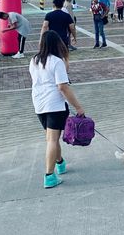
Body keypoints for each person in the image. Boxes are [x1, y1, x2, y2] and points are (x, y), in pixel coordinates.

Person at [29, 30, 85, 189]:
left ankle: (60, 163)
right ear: (57, 43)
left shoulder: (33, 60)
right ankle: (49, 175)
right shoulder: (57, 62)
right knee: (52, 140)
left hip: (39, 104)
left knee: (51, 138)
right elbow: (63, 87)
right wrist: (78, 107)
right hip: (54, 105)